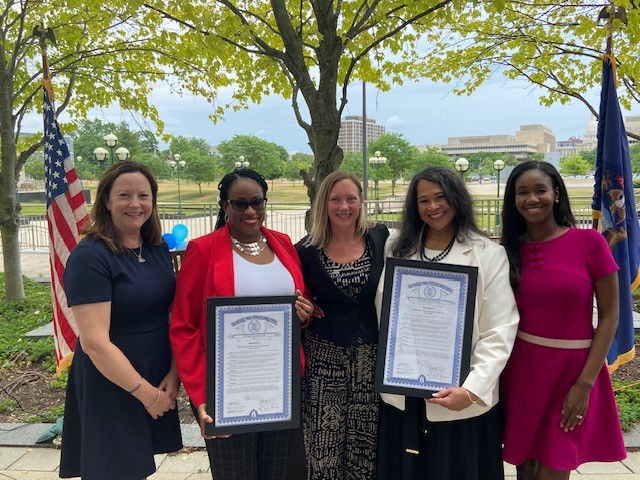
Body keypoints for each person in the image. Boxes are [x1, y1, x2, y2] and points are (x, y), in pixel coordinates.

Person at [375, 166, 519, 480]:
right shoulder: (396, 248)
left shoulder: (488, 254)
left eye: (440, 197)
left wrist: (471, 390)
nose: (433, 206)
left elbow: (500, 330)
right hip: (404, 396)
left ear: (456, 198)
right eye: (423, 200)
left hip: (460, 400)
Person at [169, 168, 314, 480]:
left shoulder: (283, 244)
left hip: (281, 385)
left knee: (277, 472)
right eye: (240, 203)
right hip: (227, 389)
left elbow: (300, 305)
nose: (250, 211)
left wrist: (303, 313)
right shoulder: (203, 250)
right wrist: (201, 394)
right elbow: (184, 326)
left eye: (257, 203)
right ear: (225, 206)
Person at [500, 161, 626, 480]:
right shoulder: (508, 251)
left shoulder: (590, 243)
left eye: (540, 190)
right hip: (523, 369)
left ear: (556, 193)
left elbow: (611, 316)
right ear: (513, 200)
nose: (532, 199)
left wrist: (584, 384)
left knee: (556, 465)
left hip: (573, 371)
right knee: (525, 467)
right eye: (522, 192)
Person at [59, 161, 182, 480]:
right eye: (124, 195)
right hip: (111, 380)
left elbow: (170, 312)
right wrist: (146, 393)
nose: (135, 203)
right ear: (106, 201)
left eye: (144, 195)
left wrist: (174, 372)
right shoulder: (90, 256)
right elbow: (96, 343)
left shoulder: (156, 247)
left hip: (155, 370)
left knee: (137, 467)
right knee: (115, 470)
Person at [295, 171, 389, 479]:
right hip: (325, 359)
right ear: (324, 204)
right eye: (336, 199)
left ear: (362, 201)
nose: (344, 206)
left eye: (351, 198)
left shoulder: (381, 237)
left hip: (371, 359)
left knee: (367, 443)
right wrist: (304, 308)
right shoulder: (306, 250)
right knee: (324, 443)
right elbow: (296, 294)